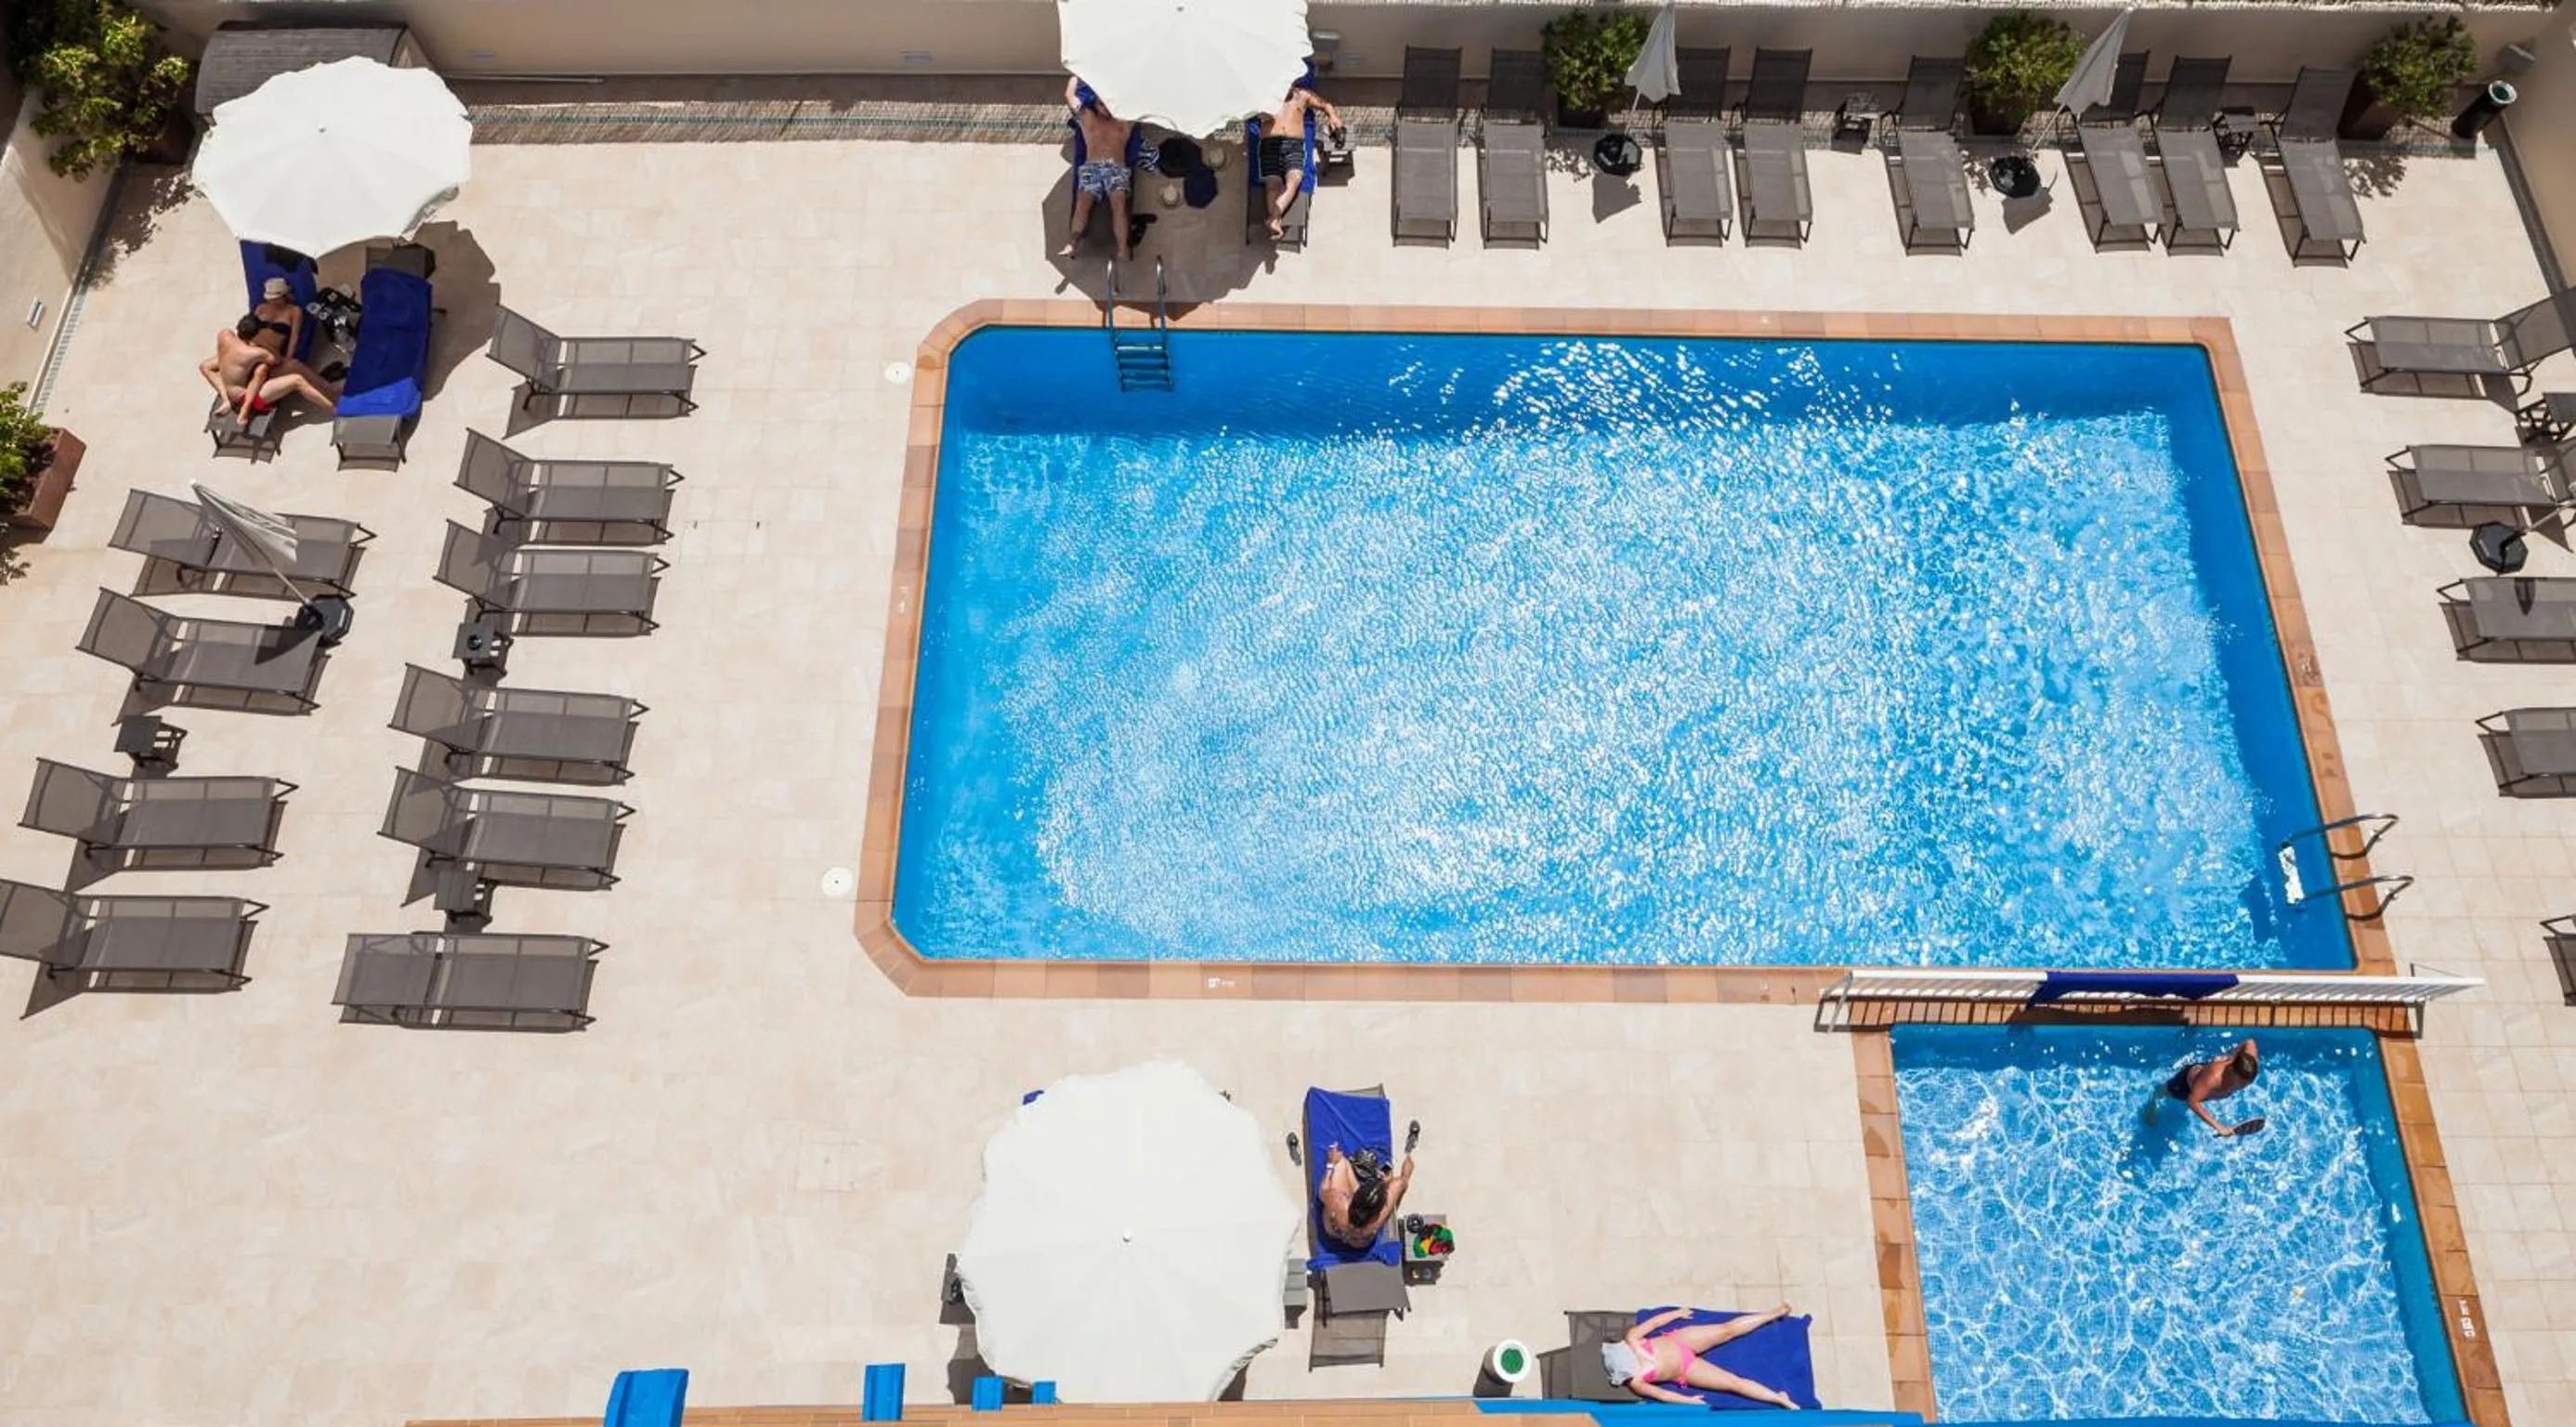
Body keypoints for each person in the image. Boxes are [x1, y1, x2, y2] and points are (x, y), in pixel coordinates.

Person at [1602, 1303, 1804, 1409]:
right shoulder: (1635, 1378)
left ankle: (1773, 1314)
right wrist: (1688, 1400)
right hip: (1686, 1368)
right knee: (1736, 1382)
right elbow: (1664, 1395)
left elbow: (1654, 1323)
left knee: (1728, 1331)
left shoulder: (1633, 1345)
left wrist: (1675, 1314)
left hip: (1681, 1343)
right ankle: (1780, 1399)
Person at [200, 314, 337, 419]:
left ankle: (329, 389)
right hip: (246, 397)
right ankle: (335, 410)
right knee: (297, 380)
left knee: (292, 365)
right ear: (254, 336)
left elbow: (221, 359)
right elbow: (276, 359)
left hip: (239, 380)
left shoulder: (225, 335)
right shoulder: (253, 352)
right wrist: (262, 342)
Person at [1061, 76, 1135, 262]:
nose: (1106, 108)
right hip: (1091, 167)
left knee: (1118, 206)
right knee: (1082, 206)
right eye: (1102, 104)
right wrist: (1075, 77)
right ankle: (1072, 244)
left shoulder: (1123, 122)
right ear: (1096, 103)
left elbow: (1143, 107)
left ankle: (1122, 249)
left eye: (1109, 105)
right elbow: (1069, 96)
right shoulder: (1088, 118)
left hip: (1116, 168)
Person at [1255, 82, 1344, 240]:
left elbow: (1325, 105)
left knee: (1295, 179)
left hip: (1294, 145)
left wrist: (1333, 116)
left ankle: (1273, 218)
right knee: (1273, 184)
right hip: (1269, 143)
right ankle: (1275, 220)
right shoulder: (1264, 96)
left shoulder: (1302, 95)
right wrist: (1263, 111)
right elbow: (1253, 115)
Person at [1318, 1137, 1414, 1251]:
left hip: (1336, 1231)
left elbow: (1323, 1191)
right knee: (1396, 1186)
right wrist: (1406, 1166)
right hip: (1361, 1242)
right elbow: (1402, 1182)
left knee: (1341, 1162)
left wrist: (1331, 1164)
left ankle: (1342, 1166)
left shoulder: (1338, 1202)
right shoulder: (1380, 1216)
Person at [2161, 1038, 2262, 1137]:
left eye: (2248, 1083)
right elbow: (2191, 1100)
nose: (2244, 1086)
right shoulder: (2213, 1079)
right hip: (2185, 1085)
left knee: (2195, 1098)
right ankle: (2152, 1102)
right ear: (2232, 1071)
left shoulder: (2249, 1063)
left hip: (2204, 1079)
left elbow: (2250, 1041)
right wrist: (2219, 1127)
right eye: (2242, 1083)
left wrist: (2230, 1057)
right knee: (2164, 1092)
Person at [250, 275, 306, 362]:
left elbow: (294, 338)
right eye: (270, 299)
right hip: (252, 346)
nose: (272, 301)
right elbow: (249, 329)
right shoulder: (261, 308)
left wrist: (288, 358)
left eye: (276, 299)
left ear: (285, 296)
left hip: (271, 353)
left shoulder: (294, 311)